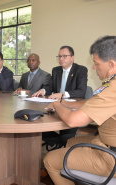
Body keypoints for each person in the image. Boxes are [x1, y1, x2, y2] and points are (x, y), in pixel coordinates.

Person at [44, 35, 116, 185]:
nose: (93, 67)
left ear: (111, 65)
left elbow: (72, 120)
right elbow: (91, 103)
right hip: (105, 141)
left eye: (96, 63)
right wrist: (63, 102)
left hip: (111, 156)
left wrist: (57, 104)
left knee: (49, 160)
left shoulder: (113, 88)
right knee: (71, 141)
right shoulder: (111, 84)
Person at [33, 46, 88, 148]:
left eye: (64, 56)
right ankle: (58, 142)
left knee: (65, 137)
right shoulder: (56, 70)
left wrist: (62, 94)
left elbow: (81, 92)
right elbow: (51, 87)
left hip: (72, 108)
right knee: (37, 126)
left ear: (72, 58)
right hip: (56, 108)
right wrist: (43, 90)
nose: (61, 59)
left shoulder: (81, 70)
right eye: (59, 56)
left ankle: (63, 143)